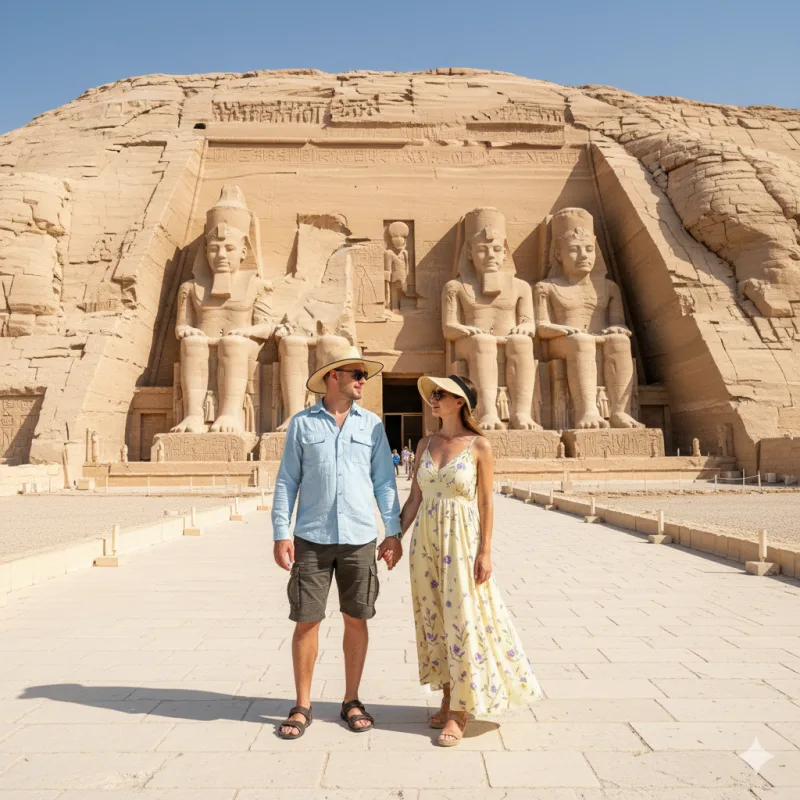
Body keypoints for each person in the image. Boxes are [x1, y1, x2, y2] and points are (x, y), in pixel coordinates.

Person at [398, 374, 542, 746]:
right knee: (434, 617)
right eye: (432, 394)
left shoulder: (479, 446)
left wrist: (486, 550)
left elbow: (486, 502)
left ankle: (462, 709)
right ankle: (447, 695)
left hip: (461, 540)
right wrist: (394, 537)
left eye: (441, 394)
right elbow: (414, 498)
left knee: (463, 618)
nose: (433, 398)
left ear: (460, 401)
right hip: (426, 543)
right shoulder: (426, 442)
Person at [271, 341, 403, 740]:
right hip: (312, 535)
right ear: (334, 377)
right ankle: (303, 704)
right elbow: (286, 480)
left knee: (356, 618)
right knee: (306, 620)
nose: (364, 380)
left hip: (360, 535)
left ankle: (352, 699)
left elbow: (384, 481)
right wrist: (280, 531)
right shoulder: (302, 423)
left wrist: (392, 531)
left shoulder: (372, 425)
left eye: (364, 375)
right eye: (358, 374)